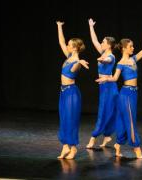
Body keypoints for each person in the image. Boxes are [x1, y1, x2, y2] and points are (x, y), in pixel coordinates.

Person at [96, 26, 142, 158]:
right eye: (130, 46)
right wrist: (106, 77)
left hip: (134, 93)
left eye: (133, 46)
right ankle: (136, 148)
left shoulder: (133, 59)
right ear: (124, 48)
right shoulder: (121, 63)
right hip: (125, 95)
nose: (133, 48)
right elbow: (115, 78)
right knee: (130, 120)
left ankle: (118, 143)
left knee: (125, 120)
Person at [56, 21, 89, 159]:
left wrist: (80, 63)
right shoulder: (69, 57)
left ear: (75, 48)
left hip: (72, 93)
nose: (67, 46)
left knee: (71, 120)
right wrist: (59, 27)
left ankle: (73, 148)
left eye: (70, 45)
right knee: (63, 119)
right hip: (63, 92)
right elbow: (61, 42)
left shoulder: (76, 61)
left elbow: (75, 69)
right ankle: (65, 147)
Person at [86, 18, 118, 148]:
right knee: (107, 110)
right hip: (103, 86)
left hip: (109, 86)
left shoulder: (111, 56)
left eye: (103, 42)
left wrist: (102, 60)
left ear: (109, 45)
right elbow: (94, 40)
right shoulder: (103, 52)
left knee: (104, 111)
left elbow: (107, 61)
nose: (101, 43)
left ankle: (93, 137)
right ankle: (107, 136)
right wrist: (91, 26)